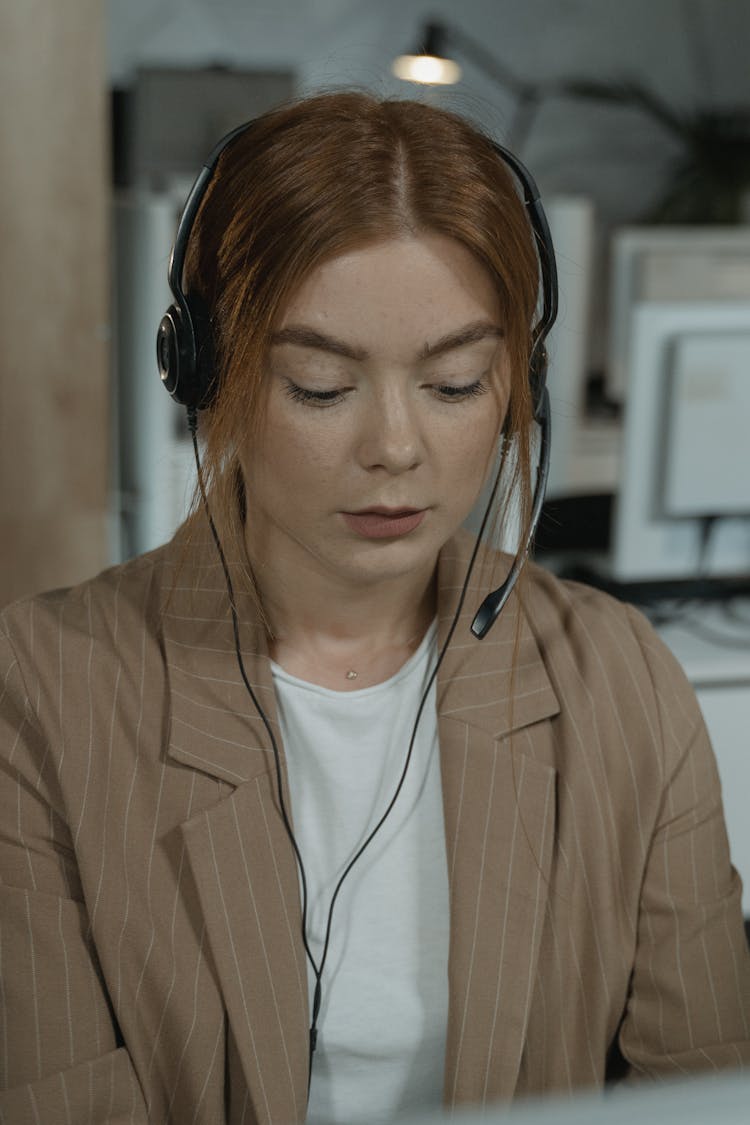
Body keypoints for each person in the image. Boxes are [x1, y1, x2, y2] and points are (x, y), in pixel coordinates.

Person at [0, 91, 748, 1125]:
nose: (395, 449)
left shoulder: (621, 678)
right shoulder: (37, 694)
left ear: (516, 384)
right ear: (202, 375)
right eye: (318, 385)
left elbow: (704, 1087)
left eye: (455, 384)